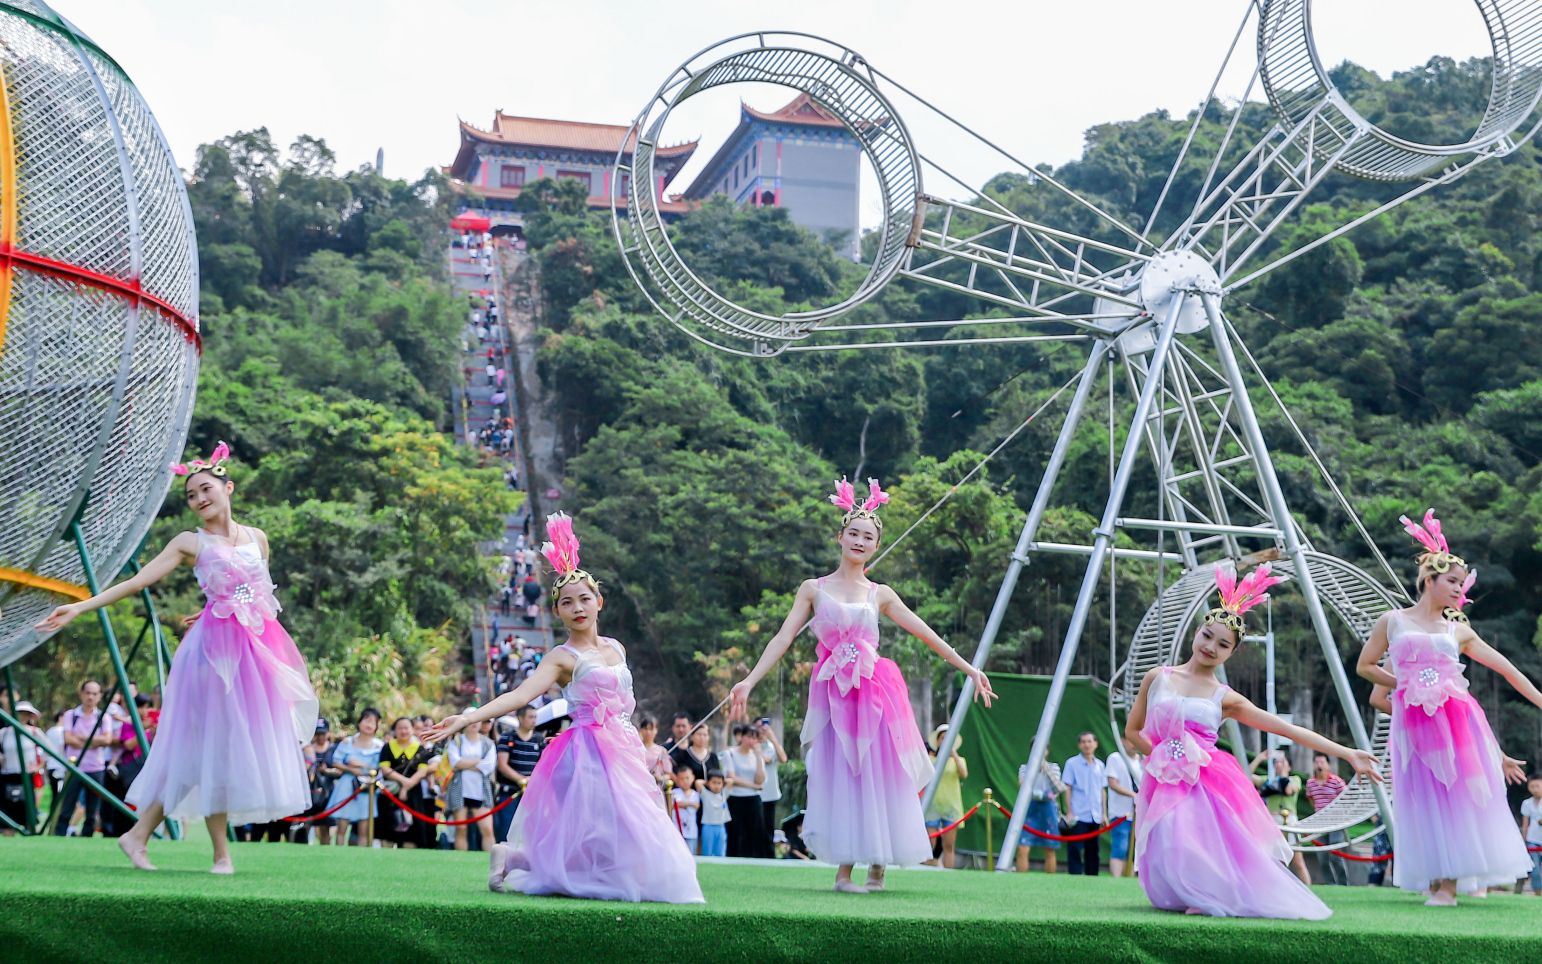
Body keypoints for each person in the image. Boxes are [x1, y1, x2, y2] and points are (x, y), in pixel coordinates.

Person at [35, 442, 317, 873]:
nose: (199, 499)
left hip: (255, 654)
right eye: (191, 495)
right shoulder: (191, 542)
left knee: (221, 750)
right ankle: (209, 852)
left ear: (228, 489)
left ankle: (147, 839)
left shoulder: (258, 539)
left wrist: (209, 607)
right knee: (204, 747)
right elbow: (138, 582)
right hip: (211, 657)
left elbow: (256, 591)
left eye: (206, 489)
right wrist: (80, 606)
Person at [730, 477, 997, 893]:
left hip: (876, 692)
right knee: (844, 775)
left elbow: (926, 634)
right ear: (840, 537)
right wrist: (748, 680)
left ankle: (878, 865)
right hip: (836, 696)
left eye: (867, 536)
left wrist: (970, 668)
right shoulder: (813, 589)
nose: (859, 540)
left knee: (880, 774)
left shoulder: (881, 594)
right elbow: (783, 638)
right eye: (853, 533)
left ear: (875, 546)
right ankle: (843, 871)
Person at [425, 512, 702, 903]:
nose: (577, 608)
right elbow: (520, 697)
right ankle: (517, 859)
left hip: (622, 746)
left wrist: (641, 748)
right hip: (586, 750)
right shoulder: (561, 657)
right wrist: (469, 717)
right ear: (557, 611)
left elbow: (623, 707)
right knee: (604, 830)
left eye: (585, 599)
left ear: (599, 602)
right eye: (567, 603)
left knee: (615, 832)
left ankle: (513, 857)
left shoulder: (616, 648)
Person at [1126, 563, 1381, 919]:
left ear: (1232, 652)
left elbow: (1286, 730)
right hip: (1165, 775)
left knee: (1191, 836)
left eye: (1223, 644)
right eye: (1207, 636)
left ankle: (1209, 895)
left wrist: (1346, 752)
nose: (1211, 647)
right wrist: (1164, 758)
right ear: (1196, 633)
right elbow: (1132, 732)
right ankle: (1192, 892)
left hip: (1206, 779)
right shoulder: (1157, 677)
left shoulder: (1225, 697)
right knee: (1168, 839)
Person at [1355, 510, 1540, 905]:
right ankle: (1436, 877)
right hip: (1414, 725)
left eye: (1461, 583)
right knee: (1424, 798)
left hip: (1457, 719)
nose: (1459, 589)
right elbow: (1365, 667)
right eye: (1452, 582)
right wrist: (1406, 685)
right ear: (1429, 580)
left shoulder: (1458, 630)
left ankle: (1451, 885)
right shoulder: (1393, 622)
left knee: (1455, 794)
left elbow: (1508, 670)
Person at [50, 679, 119, 838]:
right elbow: (68, 738)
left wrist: (82, 738)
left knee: (92, 808)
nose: (90, 697)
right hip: (74, 767)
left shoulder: (103, 717)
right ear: (81, 694)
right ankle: (59, 835)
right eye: (87, 693)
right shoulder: (71, 715)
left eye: (94, 694)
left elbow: (107, 740)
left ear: (100, 696)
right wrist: (95, 740)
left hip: (96, 768)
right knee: (67, 805)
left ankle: (87, 835)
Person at [1248, 749, 1311, 885]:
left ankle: (1309, 891)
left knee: (1298, 861)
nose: (1279, 765)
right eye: (1277, 762)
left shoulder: (1295, 779)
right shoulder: (1268, 780)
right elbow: (1246, 776)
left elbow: (1289, 789)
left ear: (1289, 766)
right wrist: (1259, 758)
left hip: (1290, 822)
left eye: (1282, 762)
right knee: (1274, 860)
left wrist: (1283, 774)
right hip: (1272, 822)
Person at [326, 708, 383, 846]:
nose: (369, 725)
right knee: (342, 825)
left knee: (364, 826)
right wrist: (351, 769)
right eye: (366, 720)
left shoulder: (380, 746)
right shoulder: (347, 742)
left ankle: (362, 855)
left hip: (367, 787)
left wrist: (362, 766)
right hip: (347, 785)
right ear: (359, 722)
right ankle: (338, 852)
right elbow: (335, 762)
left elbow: (381, 768)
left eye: (373, 722)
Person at [378, 717, 434, 849]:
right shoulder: (387, 747)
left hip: (414, 794)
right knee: (388, 829)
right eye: (400, 728)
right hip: (391, 793)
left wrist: (407, 786)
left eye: (406, 727)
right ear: (394, 730)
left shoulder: (419, 749)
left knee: (413, 831)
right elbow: (385, 769)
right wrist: (404, 782)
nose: (403, 731)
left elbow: (422, 772)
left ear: (412, 730)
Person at [494, 705, 545, 842]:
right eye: (530, 717)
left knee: (531, 832)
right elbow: (502, 765)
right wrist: (522, 780)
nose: (534, 720)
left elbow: (543, 765)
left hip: (532, 793)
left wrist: (531, 781)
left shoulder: (539, 740)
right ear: (520, 718)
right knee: (506, 830)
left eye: (535, 717)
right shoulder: (508, 737)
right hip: (509, 793)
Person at [447, 719, 497, 851]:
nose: (474, 724)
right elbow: (455, 763)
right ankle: (460, 862)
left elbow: (488, 766)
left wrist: (465, 764)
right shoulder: (456, 742)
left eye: (477, 721)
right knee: (461, 828)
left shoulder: (488, 743)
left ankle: (490, 861)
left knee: (487, 829)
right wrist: (478, 761)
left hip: (481, 790)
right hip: (460, 788)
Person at [1062, 731, 1107, 876]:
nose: (1087, 745)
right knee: (1075, 847)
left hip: (1095, 814)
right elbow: (1067, 788)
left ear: (1095, 744)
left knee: (1093, 849)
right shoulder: (1072, 763)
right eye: (1083, 742)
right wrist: (1069, 811)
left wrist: (1104, 813)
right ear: (1079, 745)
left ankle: (1092, 876)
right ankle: (1074, 875)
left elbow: (1102, 790)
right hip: (1078, 813)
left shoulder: (1100, 765)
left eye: (1089, 741)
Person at [923, 723, 967, 869]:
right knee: (931, 844)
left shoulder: (959, 761)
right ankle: (930, 868)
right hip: (932, 805)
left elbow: (964, 774)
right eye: (942, 738)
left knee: (949, 845)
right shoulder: (929, 760)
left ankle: (949, 871)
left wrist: (953, 754)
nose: (945, 741)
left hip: (951, 806)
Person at [723, 722, 767, 857]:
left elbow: (760, 780)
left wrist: (759, 756)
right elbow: (732, 777)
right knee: (735, 833)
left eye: (755, 738)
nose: (751, 741)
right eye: (749, 736)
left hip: (753, 799)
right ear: (741, 737)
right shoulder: (729, 753)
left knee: (754, 833)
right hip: (735, 798)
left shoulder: (757, 756)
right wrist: (753, 786)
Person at [0, 700, 44, 834]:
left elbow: (51, 751)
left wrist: (38, 765)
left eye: (26, 714)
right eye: (20, 713)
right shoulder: (4, 732)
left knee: (27, 816)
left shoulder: (35, 732)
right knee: (7, 820)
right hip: (7, 776)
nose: (23, 717)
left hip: (25, 777)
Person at [1305, 753, 1349, 886]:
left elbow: (1346, 798)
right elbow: (1311, 799)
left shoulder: (1336, 781)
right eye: (1317, 762)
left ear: (1328, 765)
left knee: (1336, 854)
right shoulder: (1310, 783)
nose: (1319, 765)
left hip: (1336, 822)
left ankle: (1343, 884)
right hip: (1320, 824)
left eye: (1322, 762)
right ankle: (1331, 883)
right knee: (1322, 857)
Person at [1016, 758, 1063, 873]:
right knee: (1023, 847)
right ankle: (1019, 881)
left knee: (1050, 848)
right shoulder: (1024, 768)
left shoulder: (1054, 767)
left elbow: (1058, 788)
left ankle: (1050, 882)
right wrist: (1034, 768)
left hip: (1048, 809)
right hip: (1029, 808)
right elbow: (1023, 786)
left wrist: (1046, 769)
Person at [1105, 735, 1143, 877]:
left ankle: (1130, 877)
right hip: (1121, 812)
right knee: (1120, 847)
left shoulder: (1142, 761)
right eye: (1130, 740)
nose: (1133, 744)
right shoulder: (1116, 758)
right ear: (1123, 741)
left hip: (1138, 813)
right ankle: (1117, 878)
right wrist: (1133, 795)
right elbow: (1113, 783)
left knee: (1134, 850)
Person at [301, 719, 337, 845]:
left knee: (325, 827)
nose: (320, 737)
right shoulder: (307, 749)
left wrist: (327, 771)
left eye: (323, 733)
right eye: (317, 734)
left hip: (327, 793)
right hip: (310, 791)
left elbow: (340, 770)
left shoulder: (334, 749)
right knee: (305, 824)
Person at [758, 720, 787, 853]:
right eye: (759, 727)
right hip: (754, 793)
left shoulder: (771, 746)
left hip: (770, 794)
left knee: (768, 827)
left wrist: (773, 737)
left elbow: (783, 758)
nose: (762, 731)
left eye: (765, 729)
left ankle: (769, 854)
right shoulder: (750, 746)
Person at [670, 761, 700, 853]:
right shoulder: (674, 792)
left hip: (691, 832)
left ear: (693, 778)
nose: (685, 781)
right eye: (681, 779)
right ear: (677, 780)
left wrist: (681, 804)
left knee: (691, 854)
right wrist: (689, 804)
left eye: (687, 778)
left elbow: (696, 806)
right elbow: (672, 805)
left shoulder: (695, 794)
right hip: (676, 831)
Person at [699, 770, 730, 857]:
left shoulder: (724, 794)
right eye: (714, 782)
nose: (716, 785)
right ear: (708, 783)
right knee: (707, 851)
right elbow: (698, 783)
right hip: (708, 827)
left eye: (719, 783)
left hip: (721, 827)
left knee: (720, 852)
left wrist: (723, 781)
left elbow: (731, 782)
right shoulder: (705, 794)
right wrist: (707, 782)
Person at [636, 715, 671, 788]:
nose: (648, 732)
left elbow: (668, 774)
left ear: (656, 730)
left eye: (651, 729)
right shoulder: (635, 749)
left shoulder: (662, 751)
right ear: (640, 730)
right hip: (639, 787)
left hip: (656, 788)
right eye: (645, 729)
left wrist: (660, 778)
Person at [1522, 774, 1542, 896]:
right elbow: (1525, 823)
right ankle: (1538, 893)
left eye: (1538, 786)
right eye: (1532, 786)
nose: (1535, 789)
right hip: (1532, 840)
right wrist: (1524, 840)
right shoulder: (1527, 803)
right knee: (1535, 869)